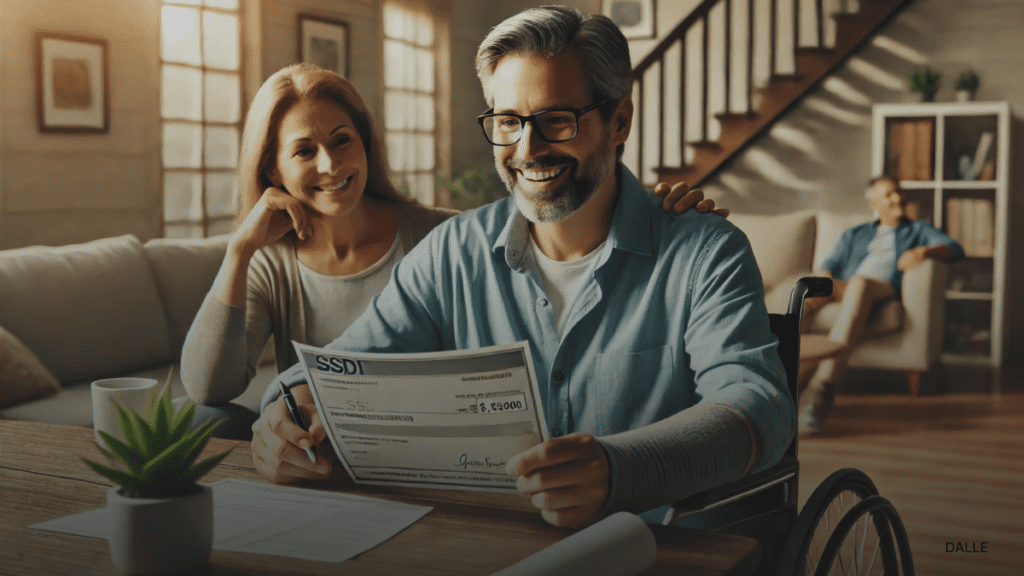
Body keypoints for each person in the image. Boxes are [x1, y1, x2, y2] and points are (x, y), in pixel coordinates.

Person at [252, 6, 791, 530]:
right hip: (485, 545)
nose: (527, 148)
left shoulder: (703, 253)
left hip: (650, 547)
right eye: (508, 121)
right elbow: (336, 371)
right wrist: (284, 418)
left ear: (618, 120)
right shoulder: (451, 254)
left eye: (557, 120)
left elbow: (755, 403)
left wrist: (619, 469)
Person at [179, 63, 720, 440]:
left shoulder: (446, 243)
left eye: (342, 139)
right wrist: (239, 253)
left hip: (435, 446)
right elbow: (211, 387)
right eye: (304, 150)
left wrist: (646, 213)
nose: (329, 163)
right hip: (333, 436)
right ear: (273, 169)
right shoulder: (272, 262)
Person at [798, 175, 965, 435]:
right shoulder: (855, 233)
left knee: (860, 284)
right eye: (888, 195)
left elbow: (955, 249)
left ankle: (821, 390)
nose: (898, 198)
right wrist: (825, 284)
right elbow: (829, 266)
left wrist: (923, 251)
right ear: (874, 203)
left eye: (898, 192)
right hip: (845, 286)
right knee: (802, 293)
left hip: (879, 288)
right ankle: (783, 382)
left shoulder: (918, 230)